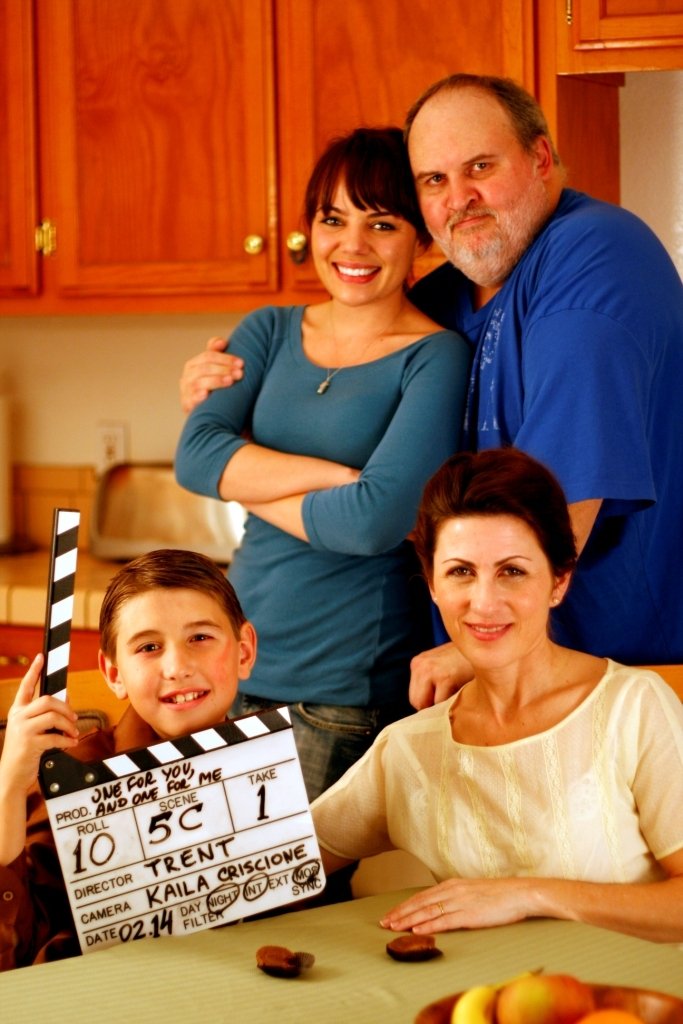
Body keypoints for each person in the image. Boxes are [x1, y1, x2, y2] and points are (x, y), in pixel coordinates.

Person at [179, 75, 683, 709]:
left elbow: (564, 494)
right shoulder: (454, 291)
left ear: (541, 159)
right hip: (505, 666)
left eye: (480, 166)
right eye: (434, 180)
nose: (460, 198)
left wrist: (477, 635)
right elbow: (354, 347)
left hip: (613, 672)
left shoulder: (595, 255)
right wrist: (215, 381)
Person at [175, 127, 469, 803]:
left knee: (288, 908)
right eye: (332, 219)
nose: (352, 246)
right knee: (219, 906)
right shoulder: (268, 331)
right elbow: (193, 460)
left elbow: (375, 525)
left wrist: (246, 480)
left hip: (339, 691)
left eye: (381, 223)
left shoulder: (434, 356)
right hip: (235, 667)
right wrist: (341, 482)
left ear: (420, 237)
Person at [311, 448, 683, 944]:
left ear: (559, 581)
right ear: (432, 584)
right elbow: (265, 866)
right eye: (461, 571)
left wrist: (526, 894)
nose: (484, 602)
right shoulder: (408, 747)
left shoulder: (635, 707)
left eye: (512, 571)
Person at [0, 549, 257, 970]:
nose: (177, 666)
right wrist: (8, 787)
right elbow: (17, 949)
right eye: (149, 647)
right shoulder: (72, 776)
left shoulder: (266, 766)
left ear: (244, 652)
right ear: (114, 672)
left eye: (200, 637)